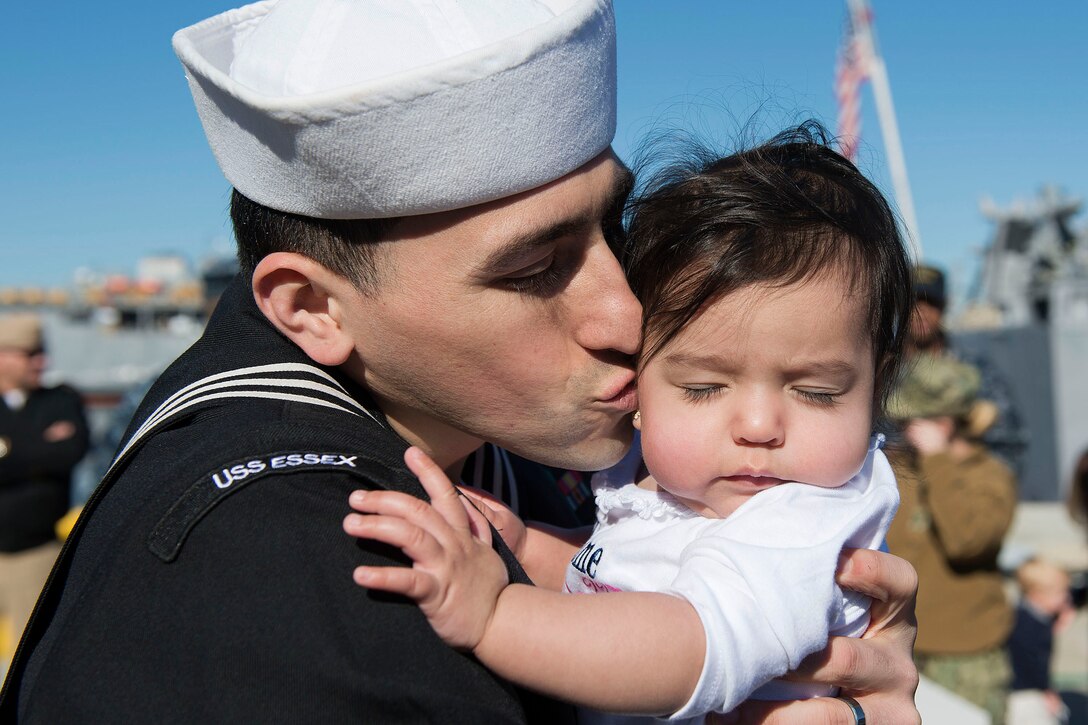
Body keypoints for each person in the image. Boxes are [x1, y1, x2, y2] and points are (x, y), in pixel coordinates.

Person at [0, 1, 919, 722]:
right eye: (533, 267)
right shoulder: (301, 585)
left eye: (613, 228)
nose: (628, 312)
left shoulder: (490, 425)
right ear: (314, 306)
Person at [342, 124, 912, 721]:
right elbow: (622, 585)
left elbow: (687, 648)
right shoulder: (663, 488)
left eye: (817, 393)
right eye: (703, 388)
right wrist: (526, 548)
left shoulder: (802, 520)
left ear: (875, 388)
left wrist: (495, 616)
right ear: (639, 385)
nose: (759, 425)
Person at [886, 352, 1018, 724]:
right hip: (897, 648)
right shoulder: (895, 468)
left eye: (912, 419)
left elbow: (968, 541)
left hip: (965, 657)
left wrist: (938, 459)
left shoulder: (989, 476)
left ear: (944, 422)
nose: (903, 427)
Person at [0, 314, 89, 667]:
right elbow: (49, 453)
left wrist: (9, 450)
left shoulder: (60, 400)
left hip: (34, 554)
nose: (43, 361)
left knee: (30, 662)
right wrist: (38, 448)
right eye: (31, 354)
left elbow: (71, 451)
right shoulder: (51, 414)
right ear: (4, 356)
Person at [1006, 558, 1074, 724]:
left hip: (1020, 691)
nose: (1066, 597)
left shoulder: (1024, 614)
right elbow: (1035, 663)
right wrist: (1046, 690)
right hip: (1024, 694)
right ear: (1037, 594)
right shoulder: (1031, 626)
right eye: (1060, 592)